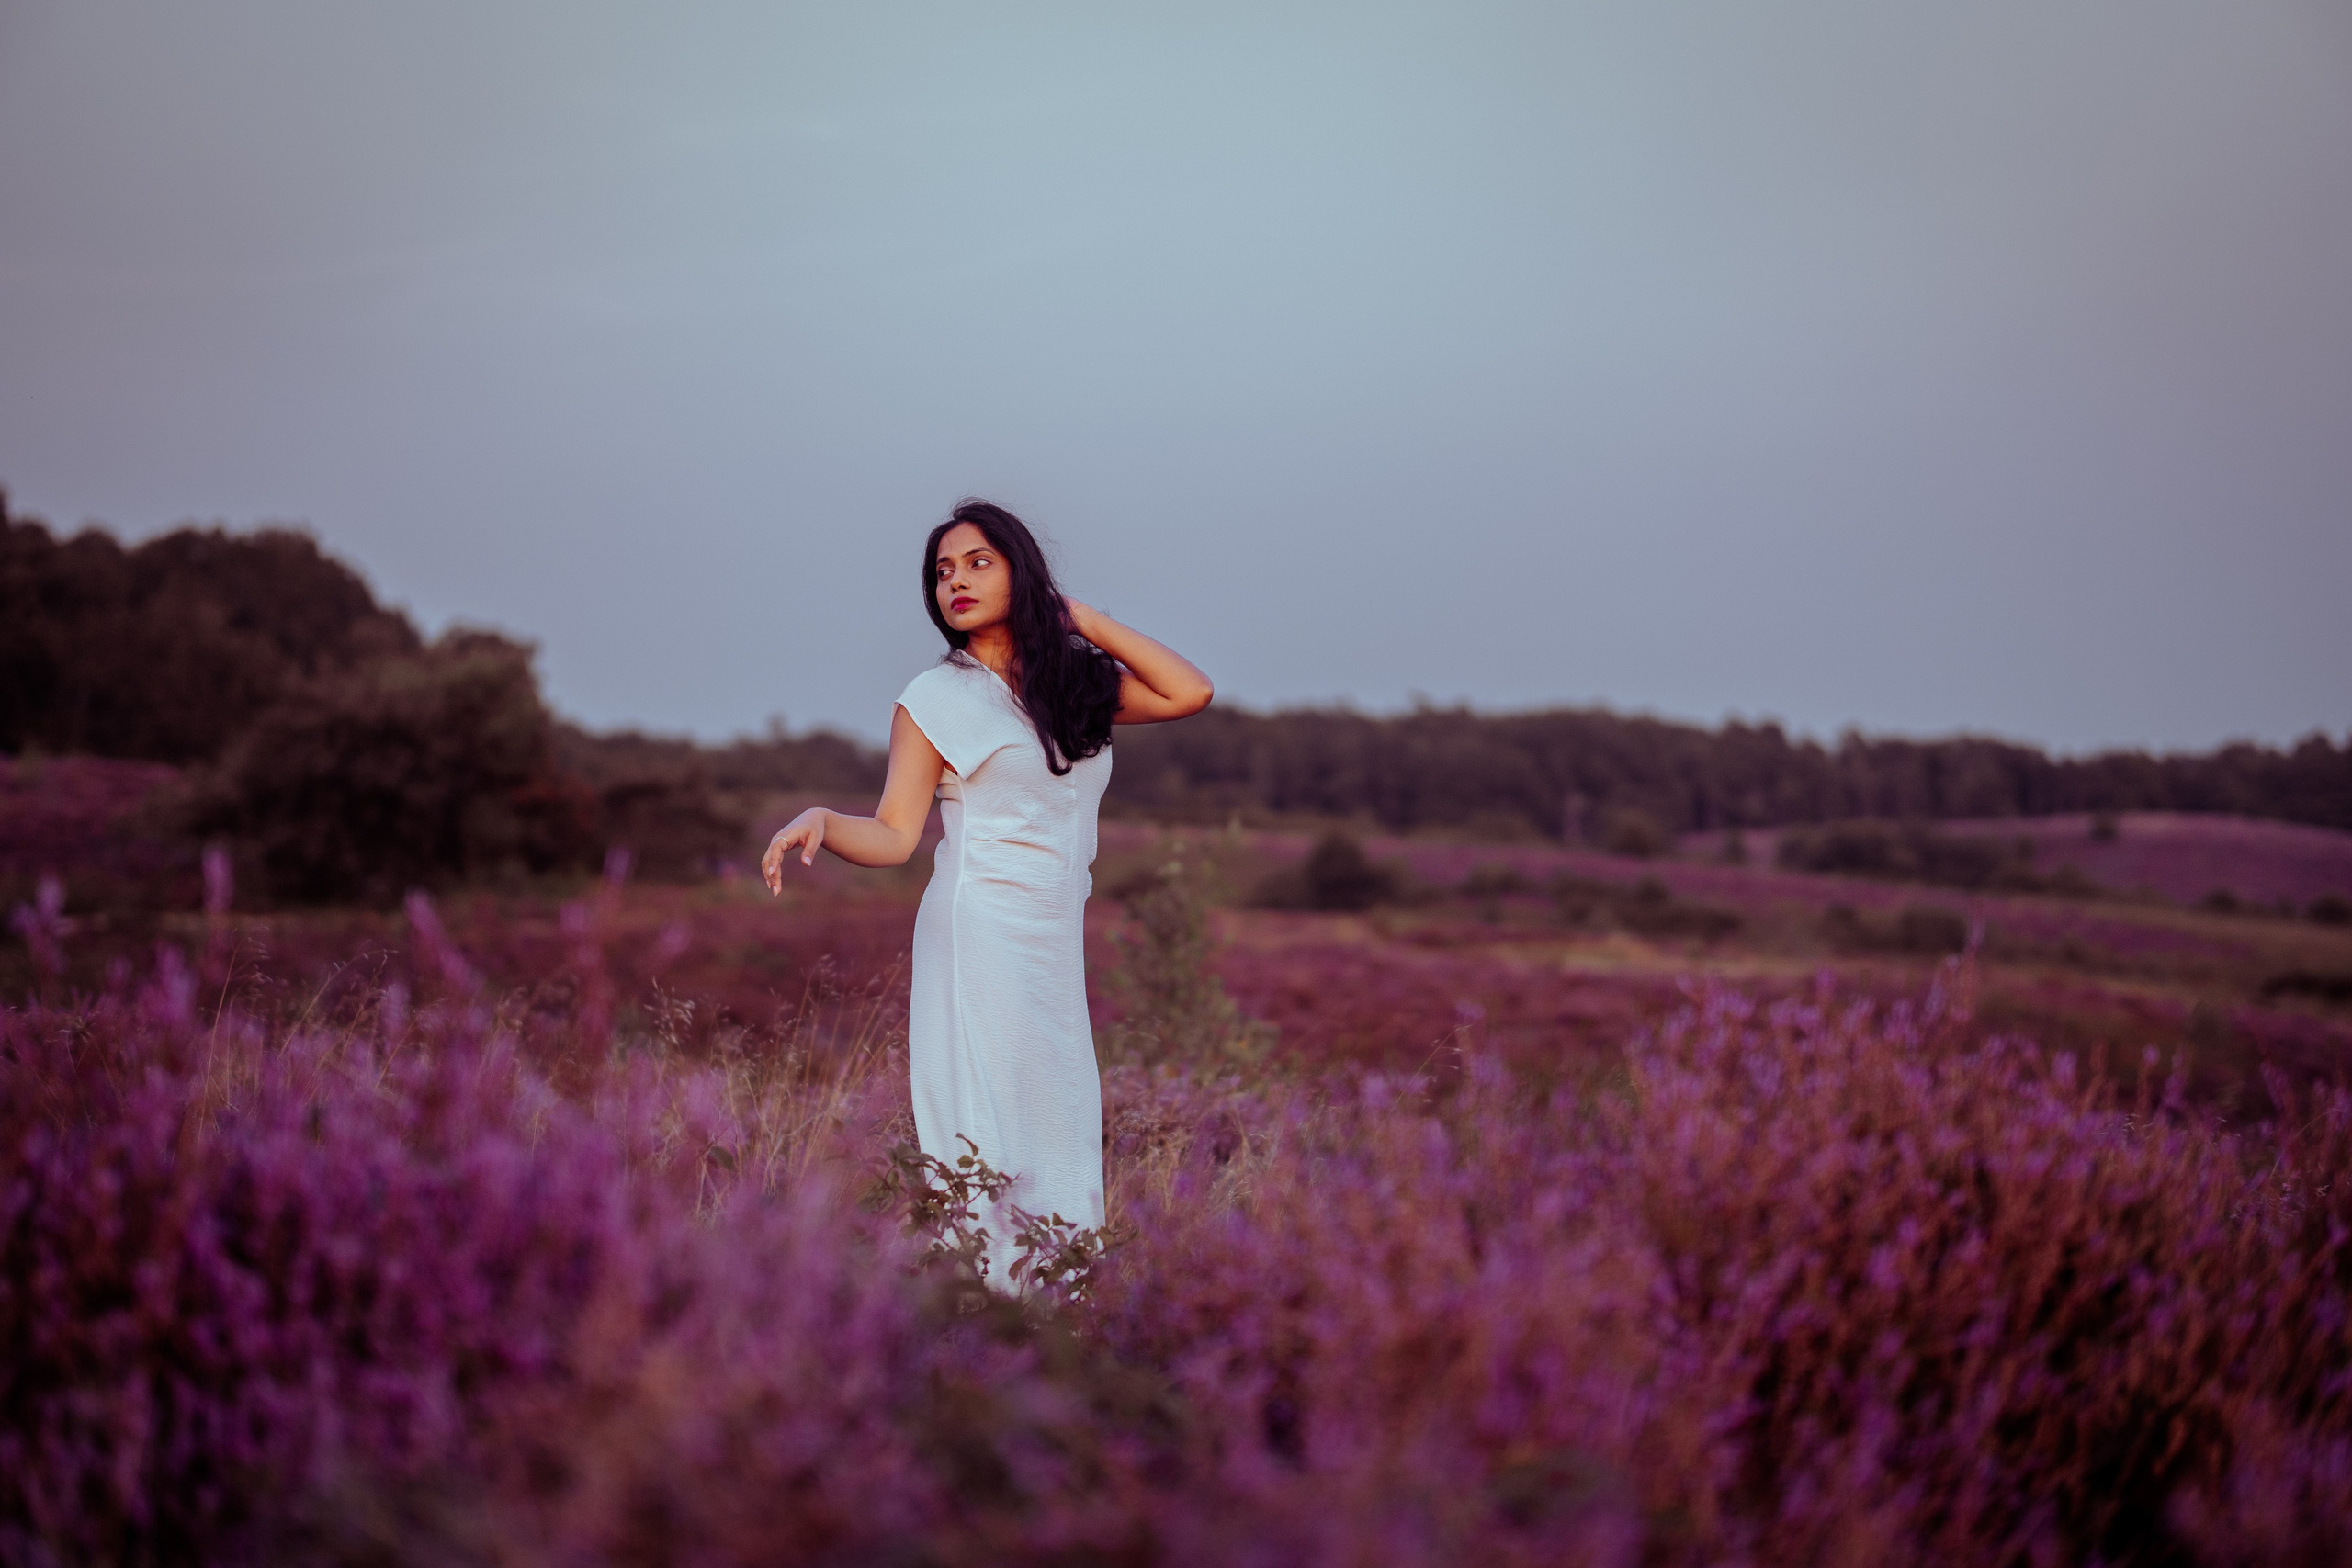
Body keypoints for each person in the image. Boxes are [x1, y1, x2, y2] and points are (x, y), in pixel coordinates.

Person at [760, 500, 1214, 1285]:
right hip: (978, 932)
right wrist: (826, 820)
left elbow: (1189, 692)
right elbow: (897, 834)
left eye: (979, 562)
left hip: (1050, 942)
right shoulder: (935, 697)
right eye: (943, 571)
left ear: (1020, 570)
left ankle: (1060, 1306)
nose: (956, 581)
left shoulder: (1075, 683)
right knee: (987, 1122)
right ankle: (986, 1312)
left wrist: (1084, 621)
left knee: (1060, 1119)